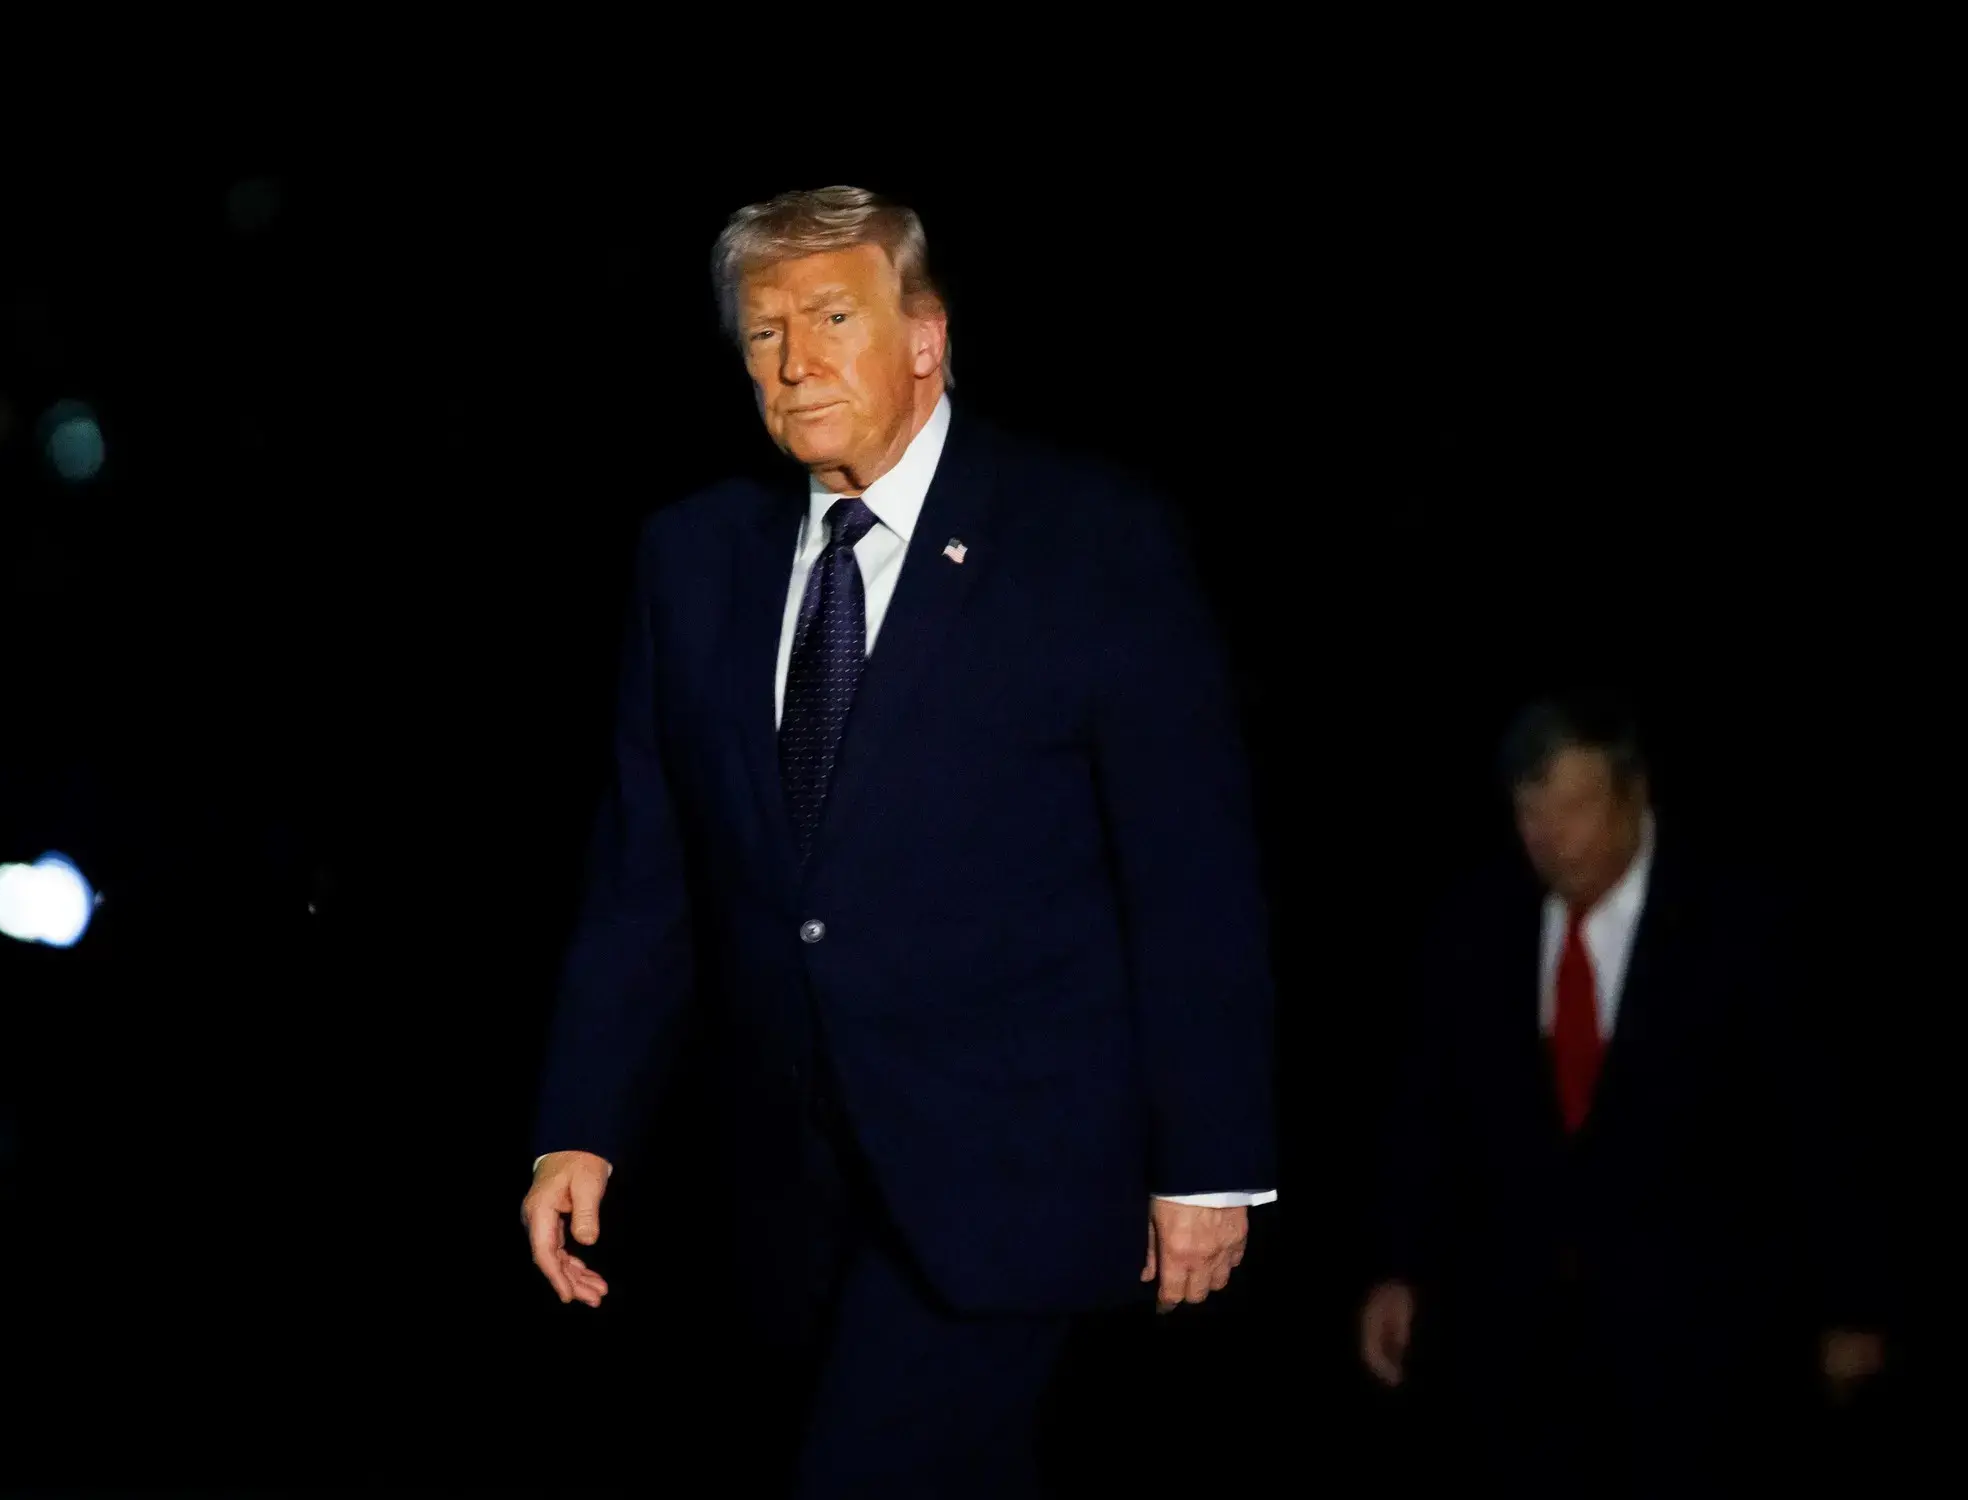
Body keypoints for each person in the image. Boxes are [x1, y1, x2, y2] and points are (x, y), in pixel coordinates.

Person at [519, 185, 1277, 1496]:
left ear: (923, 336)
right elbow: (648, 872)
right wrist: (579, 1126)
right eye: (762, 334)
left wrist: (1214, 1162)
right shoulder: (693, 561)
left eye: (829, 317)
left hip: (1015, 1173)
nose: (794, 362)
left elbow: (1190, 871)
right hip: (780, 1196)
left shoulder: (1088, 541)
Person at [1359, 695, 1887, 1494]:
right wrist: (1399, 1265)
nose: (1549, 836)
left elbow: (1818, 1122)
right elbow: (1427, 1109)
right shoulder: (1477, 923)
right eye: (1529, 812)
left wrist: (1853, 1305)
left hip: (1706, 1344)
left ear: (1636, 792)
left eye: (1573, 807)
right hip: (1518, 1345)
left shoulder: (1742, 921)